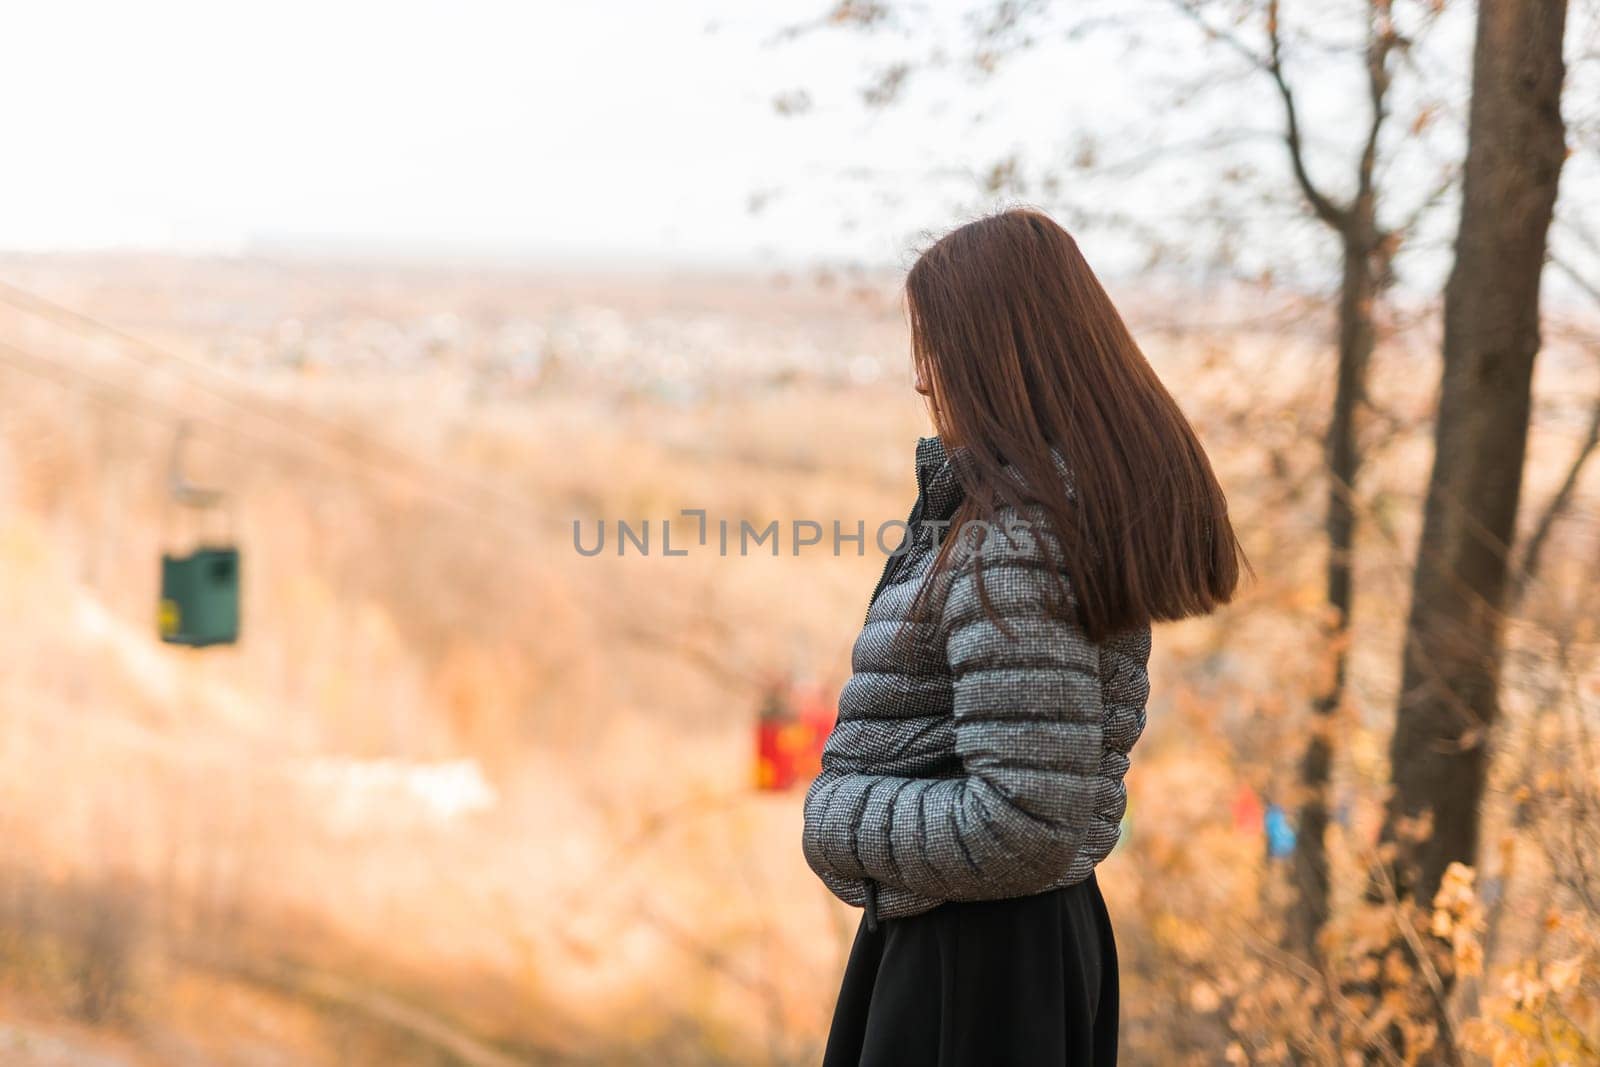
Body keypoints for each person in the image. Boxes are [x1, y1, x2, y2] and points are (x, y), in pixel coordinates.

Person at [801, 208, 1246, 1065]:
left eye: (933, 345)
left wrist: (837, 815)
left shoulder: (1021, 537)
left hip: (973, 970)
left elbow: (1022, 823)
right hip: (1000, 945)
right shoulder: (1043, 515)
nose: (922, 379)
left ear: (995, 354)